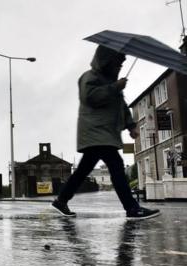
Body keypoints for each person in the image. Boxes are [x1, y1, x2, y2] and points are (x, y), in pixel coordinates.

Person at [52, 45, 160, 220]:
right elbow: (91, 97)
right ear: (107, 62)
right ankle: (132, 208)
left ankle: (61, 200)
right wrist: (115, 87)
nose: (119, 68)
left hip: (103, 134)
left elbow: (121, 106)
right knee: (117, 168)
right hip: (96, 132)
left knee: (82, 171)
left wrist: (131, 125)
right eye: (117, 64)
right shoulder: (89, 77)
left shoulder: (110, 81)